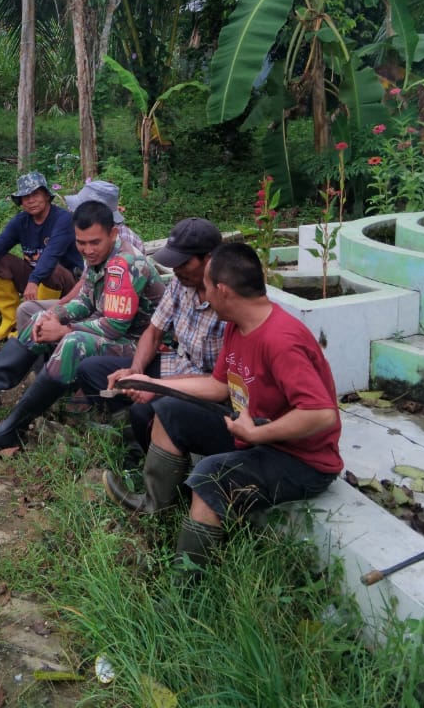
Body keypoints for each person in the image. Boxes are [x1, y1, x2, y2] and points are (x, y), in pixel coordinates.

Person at [106, 242, 342, 567]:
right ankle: (153, 507)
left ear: (222, 290)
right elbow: (218, 387)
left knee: (209, 477)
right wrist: (153, 384)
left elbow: (322, 414)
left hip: (301, 459)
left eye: (204, 287)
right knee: (170, 411)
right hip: (253, 431)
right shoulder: (238, 325)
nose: (201, 295)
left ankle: (185, 593)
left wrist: (260, 435)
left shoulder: (281, 340)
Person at [0, 201, 163, 450]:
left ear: (113, 234)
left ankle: (14, 427)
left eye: (95, 242)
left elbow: (114, 327)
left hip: (143, 347)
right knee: (41, 317)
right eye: (81, 243)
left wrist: (65, 330)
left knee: (73, 342)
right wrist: (56, 315)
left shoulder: (125, 264)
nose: (88, 250)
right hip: (116, 336)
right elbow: (84, 301)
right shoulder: (99, 258)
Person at [72, 217, 223, 464]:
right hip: (177, 364)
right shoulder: (180, 284)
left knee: (146, 410)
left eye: (184, 263)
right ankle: (132, 436)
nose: (177, 270)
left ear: (209, 259)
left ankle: (153, 458)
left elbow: (219, 381)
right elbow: (154, 331)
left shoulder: (227, 302)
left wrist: (153, 385)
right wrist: (136, 369)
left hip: (205, 384)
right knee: (92, 370)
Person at [13, 180, 144, 334]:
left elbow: (111, 319)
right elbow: (85, 284)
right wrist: (56, 310)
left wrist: (64, 326)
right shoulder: (89, 240)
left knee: (60, 328)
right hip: (89, 303)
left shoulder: (125, 244)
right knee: (27, 310)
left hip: (108, 315)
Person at [0, 172, 82, 343]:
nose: (30, 200)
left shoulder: (63, 219)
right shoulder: (21, 221)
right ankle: (10, 323)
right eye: (25, 197)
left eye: (35, 194)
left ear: (46, 196)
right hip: (35, 284)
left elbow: (52, 253)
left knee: (51, 269)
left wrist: (34, 280)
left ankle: (38, 323)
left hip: (67, 286)